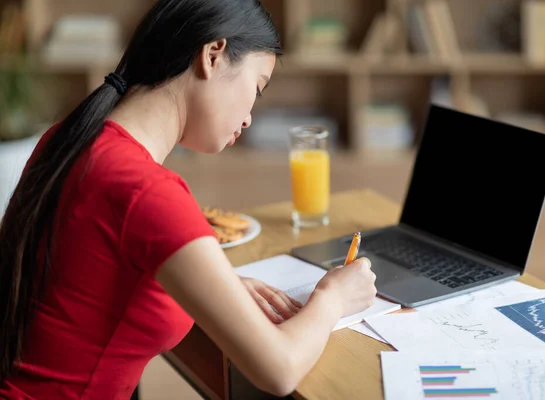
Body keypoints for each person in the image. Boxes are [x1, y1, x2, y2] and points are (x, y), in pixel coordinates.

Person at [0, 0, 377, 398]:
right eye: (257, 88)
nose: (249, 117)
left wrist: (215, 283)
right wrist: (332, 298)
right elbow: (279, 370)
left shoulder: (68, 137)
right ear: (213, 55)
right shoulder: (146, 189)